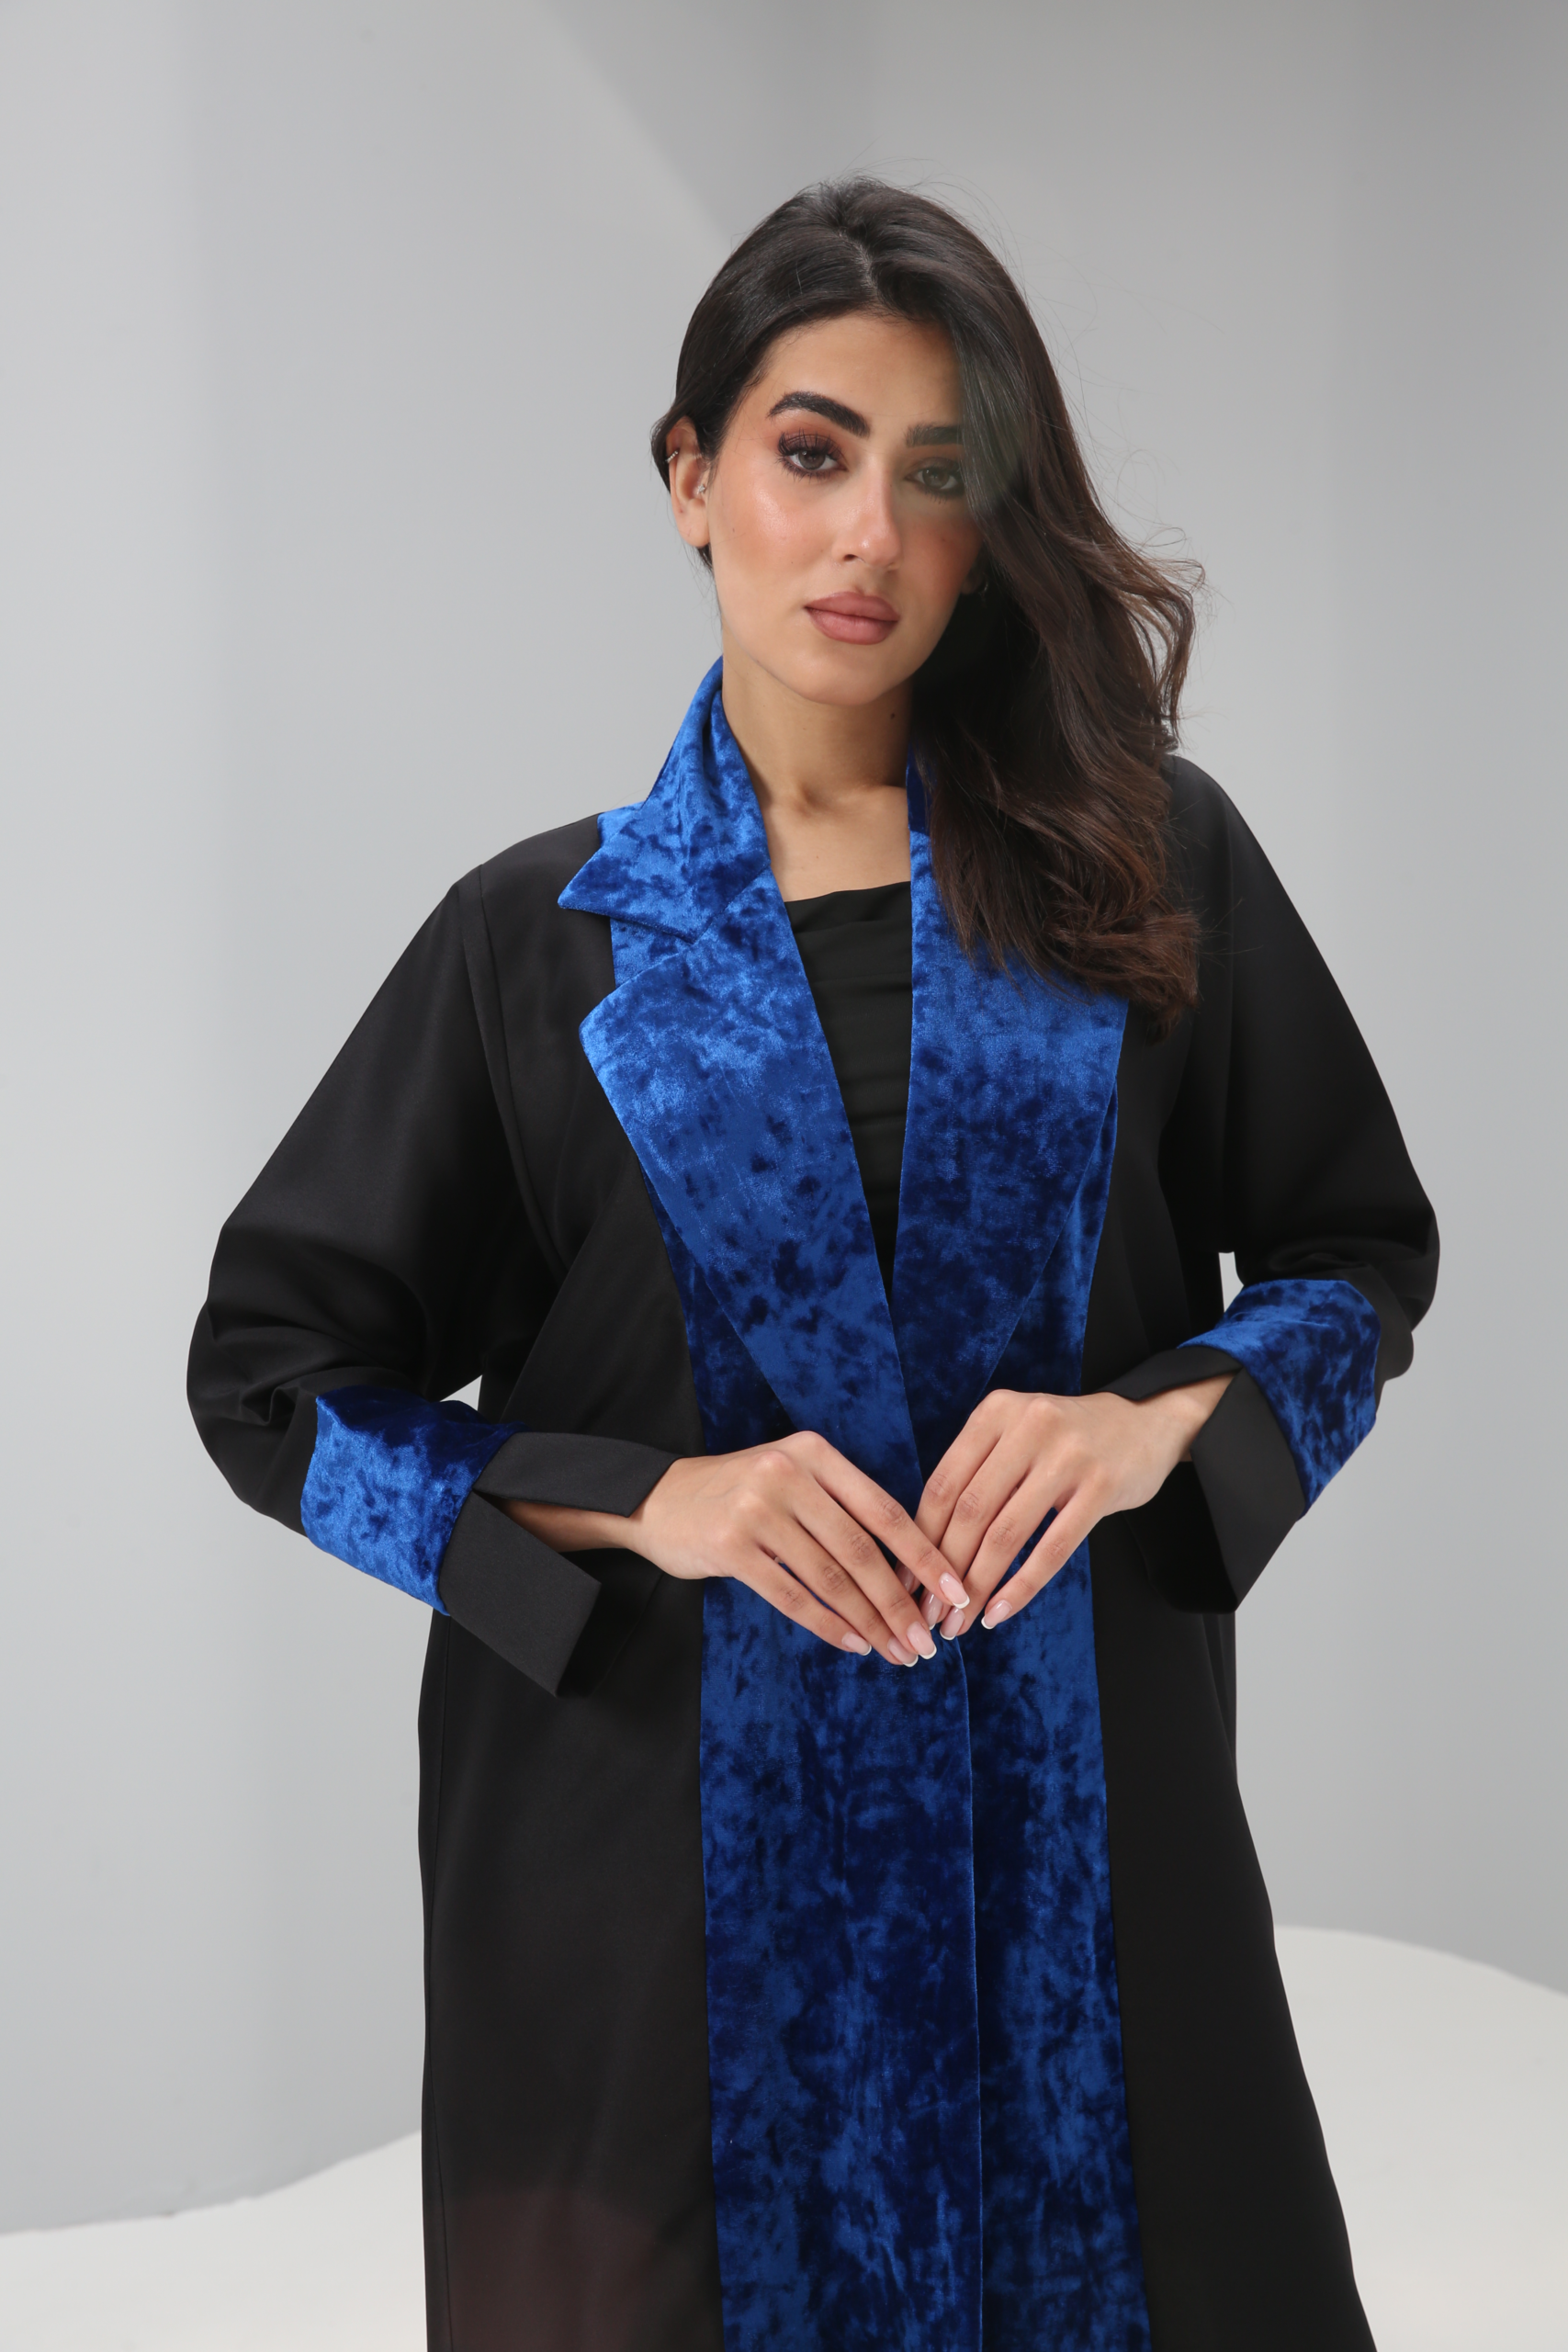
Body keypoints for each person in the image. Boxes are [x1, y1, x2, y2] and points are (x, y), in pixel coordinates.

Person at [188, 178, 1437, 2352]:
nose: (868, 533)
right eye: (810, 450)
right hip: (657, 1903)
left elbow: (1355, 1253)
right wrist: (652, 1499)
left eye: (938, 475)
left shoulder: (1146, 864)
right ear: (690, 477)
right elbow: (272, 1379)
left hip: (1080, 1864)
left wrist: (1150, 1423)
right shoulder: (536, 943)